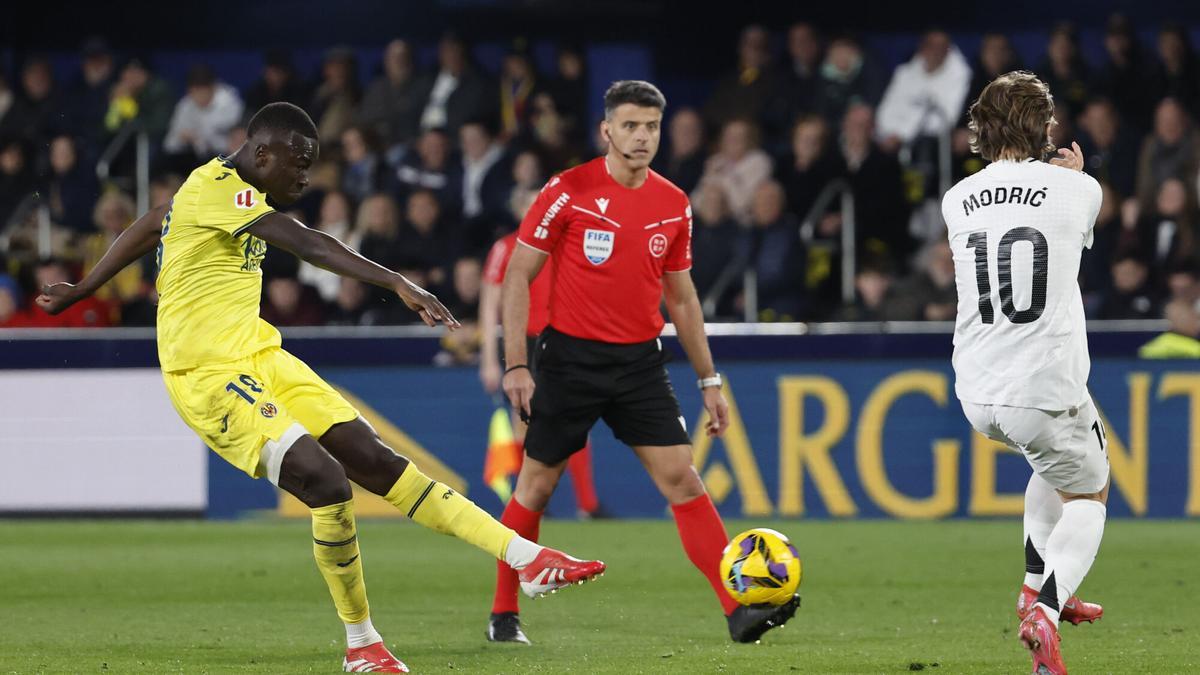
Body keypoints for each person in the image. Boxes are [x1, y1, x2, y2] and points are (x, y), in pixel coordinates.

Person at [35, 102, 605, 673]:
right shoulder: (219, 188)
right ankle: (362, 644)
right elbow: (307, 243)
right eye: (298, 163)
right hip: (207, 374)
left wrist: (85, 286)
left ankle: (525, 559)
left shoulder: (203, 188)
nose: (305, 176)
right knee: (328, 481)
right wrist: (398, 282)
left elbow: (155, 219)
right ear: (262, 154)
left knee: (376, 462)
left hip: (259, 354)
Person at [492, 80, 800, 646]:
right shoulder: (568, 190)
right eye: (630, 126)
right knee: (535, 487)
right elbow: (518, 274)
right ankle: (504, 612)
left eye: (651, 127)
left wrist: (710, 380)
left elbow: (681, 299)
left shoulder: (673, 202)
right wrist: (516, 364)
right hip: (569, 360)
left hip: (640, 364)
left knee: (683, 479)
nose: (642, 137)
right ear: (606, 130)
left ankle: (737, 610)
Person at [942, 71, 1107, 675]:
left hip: (978, 388)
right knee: (1090, 494)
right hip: (1041, 386)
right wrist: (1072, 176)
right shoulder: (1079, 189)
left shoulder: (956, 199)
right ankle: (1047, 609)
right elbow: (1066, 225)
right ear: (1042, 126)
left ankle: (1035, 581)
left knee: (1061, 457)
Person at [478, 207, 604, 532]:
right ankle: (529, 502)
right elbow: (490, 303)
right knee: (525, 425)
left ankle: (588, 505)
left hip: (565, 340)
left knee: (578, 419)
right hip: (525, 344)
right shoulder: (506, 247)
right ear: (521, 209)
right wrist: (490, 358)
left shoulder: (567, 244)